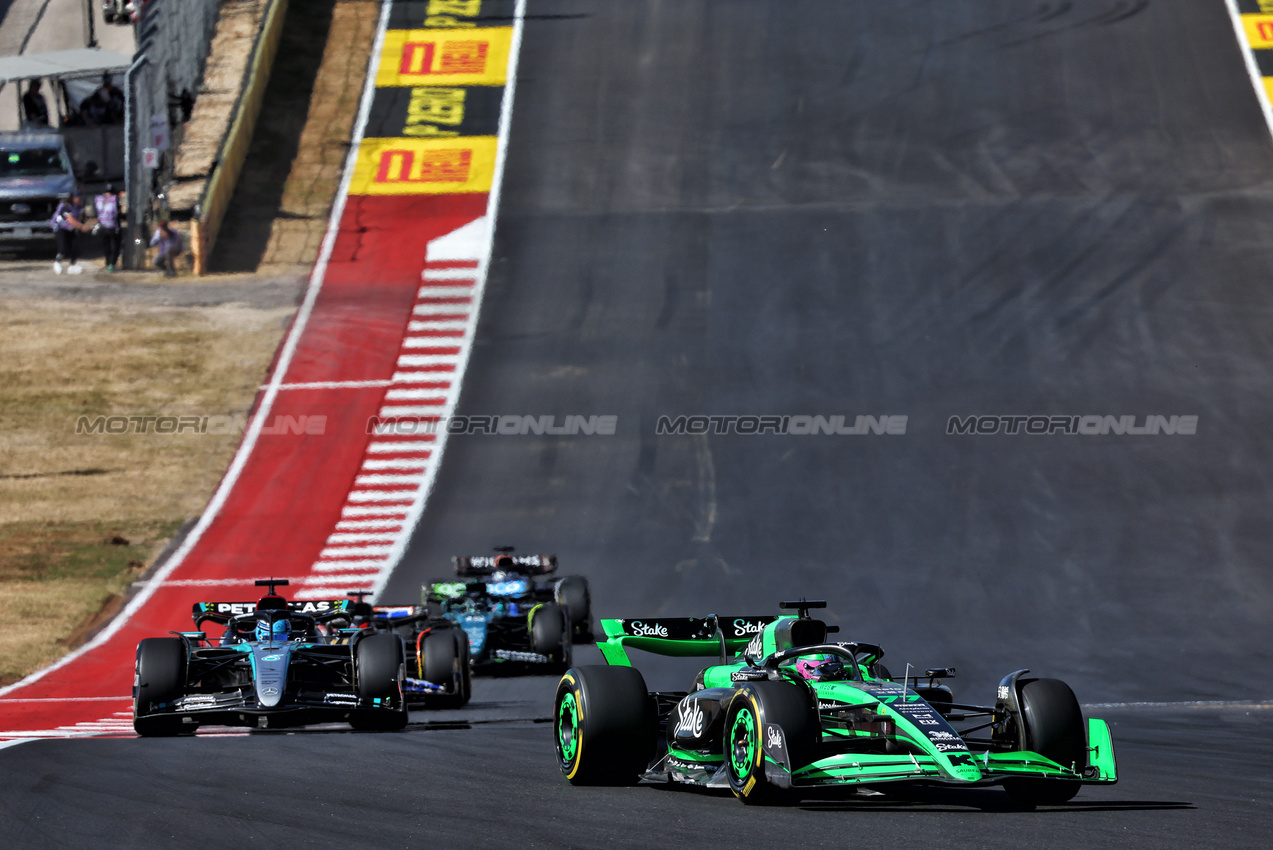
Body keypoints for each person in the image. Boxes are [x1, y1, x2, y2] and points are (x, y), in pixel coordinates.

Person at [51, 191, 91, 274]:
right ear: (74, 198)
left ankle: (73, 265)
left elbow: (79, 219)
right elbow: (71, 220)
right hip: (60, 227)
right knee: (63, 247)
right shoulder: (66, 206)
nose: (81, 200)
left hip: (70, 228)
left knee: (75, 245)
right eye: (79, 199)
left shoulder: (79, 206)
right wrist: (82, 227)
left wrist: (82, 225)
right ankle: (57, 262)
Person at [93, 184, 123, 272]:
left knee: (106, 246)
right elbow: (119, 212)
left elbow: (96, 213)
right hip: (114, 227)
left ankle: (107, 263)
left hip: (102, 226)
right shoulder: (114, 199)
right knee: (115, 246)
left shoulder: (98, 199)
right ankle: (112, 264)